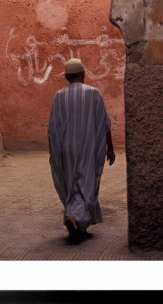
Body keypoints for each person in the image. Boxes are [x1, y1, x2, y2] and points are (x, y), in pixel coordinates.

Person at [48, 58, 115, 244]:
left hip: (66, 148)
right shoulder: (94, 93)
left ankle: (77, 224)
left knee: (71, 184)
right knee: (86, 184)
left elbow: (52, 129)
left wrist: (53, 154)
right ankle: (74, 217)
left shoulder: (58, 96)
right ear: (83, 75)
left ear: (66, 77)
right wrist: (110, 146)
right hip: (88, 146)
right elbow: (104, 123)